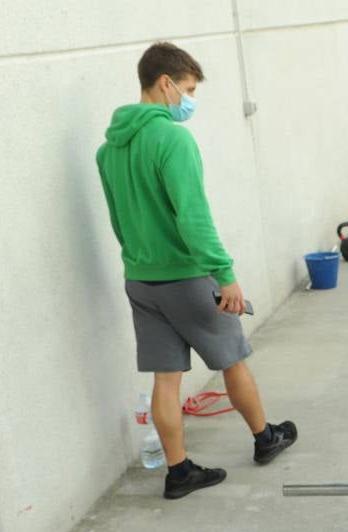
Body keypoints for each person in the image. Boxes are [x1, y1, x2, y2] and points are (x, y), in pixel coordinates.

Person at [96, 42, 296, 499]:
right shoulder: (172, 139)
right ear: (165, 83)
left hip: (141, 280)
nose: (189, 100)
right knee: (232, 357)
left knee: (165, 378)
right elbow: (193, 216)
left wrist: (141, 261)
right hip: (187, 277)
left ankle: (179, 471)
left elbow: (117, 219)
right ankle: (266, 438)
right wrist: (224, 274)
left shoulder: (108, 150)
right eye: (187, 89)